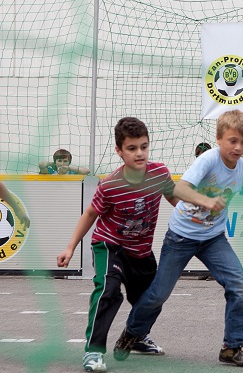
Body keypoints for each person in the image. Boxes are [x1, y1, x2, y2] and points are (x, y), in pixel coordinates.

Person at [112, 110, 243, 367]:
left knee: (240, 288)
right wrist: (207, 201)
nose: (238, 148)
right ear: (218, 139)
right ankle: (134, 332)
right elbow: (180, 188)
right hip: (180, 236)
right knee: (159, 294)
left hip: (214, 238)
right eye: (232, 141)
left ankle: (232, 347)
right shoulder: (208, 160)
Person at [56, 117, 178, 372]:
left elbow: (173, 196)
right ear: (119, 151)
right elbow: (90, 214)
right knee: (108, 292)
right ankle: (93, 351)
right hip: (110, 245)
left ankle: (136, 337)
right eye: (132, 148)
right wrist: (71, 246)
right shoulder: (111, 184)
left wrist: (196, 217)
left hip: (141, 251)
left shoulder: (159, 173)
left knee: (151, 299)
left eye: (144, 146)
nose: (139, 153)